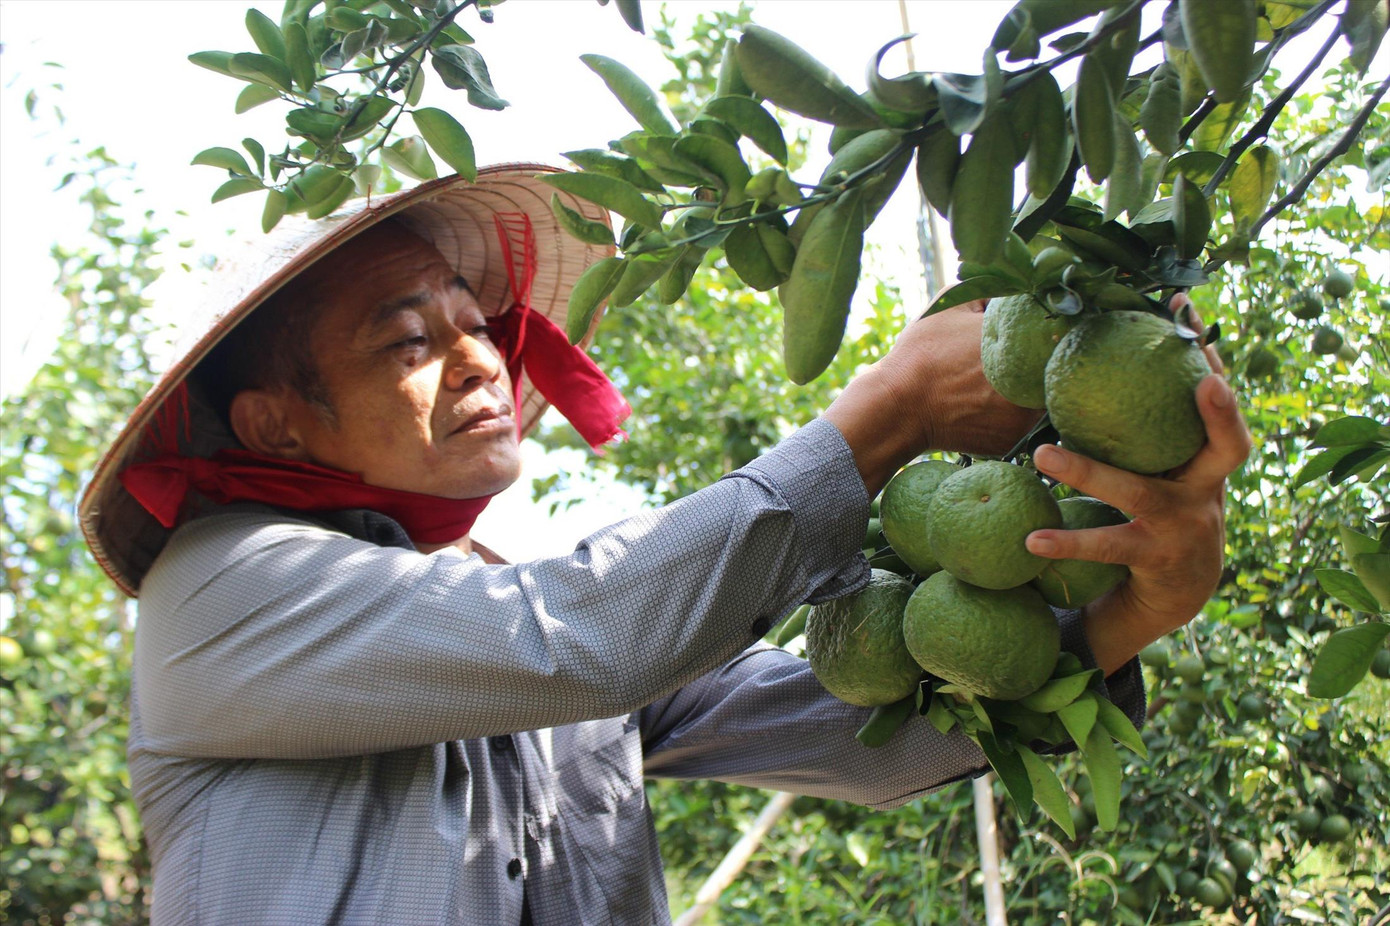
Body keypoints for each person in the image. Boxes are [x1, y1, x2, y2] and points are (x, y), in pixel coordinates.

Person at [80, 167, 1250, 925]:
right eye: (404, 340)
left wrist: (1133, 606)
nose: (481, 356)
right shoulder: (221, 591)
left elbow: (858, 726)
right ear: (276, 421)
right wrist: (886, 415)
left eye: (472, 322)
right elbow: (585, 634)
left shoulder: (491, 600)